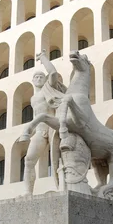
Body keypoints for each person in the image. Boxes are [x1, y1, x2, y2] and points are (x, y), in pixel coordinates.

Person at [19, 50, 65, 195]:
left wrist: (43, 58)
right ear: (32, 81)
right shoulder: (33, 98)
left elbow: (53, 73)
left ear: (44, 79)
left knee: (62, 160)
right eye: (36, 77)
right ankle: (28, 191)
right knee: (28, 160)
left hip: (53, 128)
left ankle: (64, 189)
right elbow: (36, 116)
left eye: (41, 76)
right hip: (40, 131)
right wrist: (30, 131)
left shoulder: (48, 89)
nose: (38, 78)